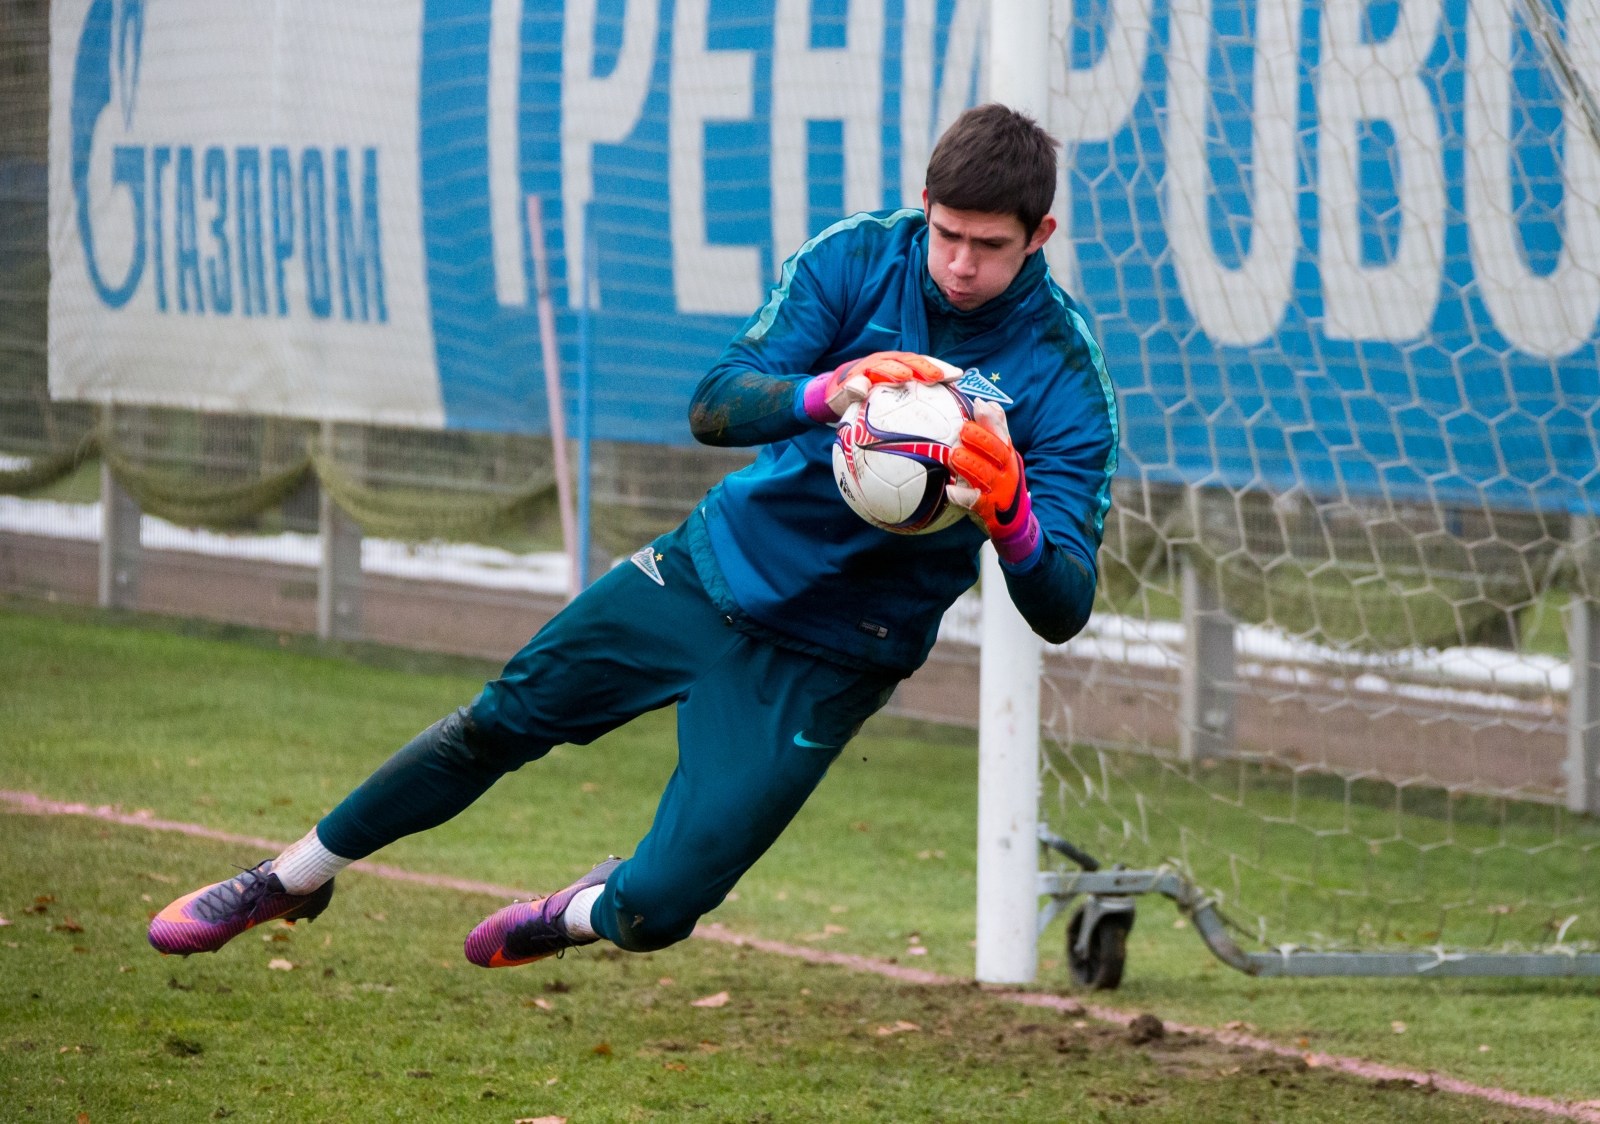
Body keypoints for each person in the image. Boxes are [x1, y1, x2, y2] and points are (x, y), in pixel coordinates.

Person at [147, 103, 1118, 967]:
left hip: (834, 654)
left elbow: (1062, 602)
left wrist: (1013, 516)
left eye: (987, 246)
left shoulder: (1063, 376)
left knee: (656, 909)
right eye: (946, 234)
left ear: (1040, 234)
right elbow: (715, 403)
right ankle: (289, 876)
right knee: (499, 718)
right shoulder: (859, 255)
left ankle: (576, 910)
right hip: (708, 568)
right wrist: (829, 391)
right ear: (923, 206)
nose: (957, 262)